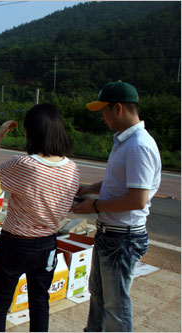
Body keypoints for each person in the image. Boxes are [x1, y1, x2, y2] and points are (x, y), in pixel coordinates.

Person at [71, 81, 161, 332]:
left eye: (104, 111)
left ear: (118, 108)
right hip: (110, 235)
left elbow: (137, 199)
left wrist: (95, 206)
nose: (102, 117)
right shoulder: (124, 142)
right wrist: (90, 189)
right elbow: (119, 182)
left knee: (116, 305)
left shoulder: (139, 146)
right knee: (98, 296)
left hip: (123, 239)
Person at [0, 103, 80, 332]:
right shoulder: (72, 168)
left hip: (15, 244)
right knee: (39, 302)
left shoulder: (25, 164)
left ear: (31, 133)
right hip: (47, 244)